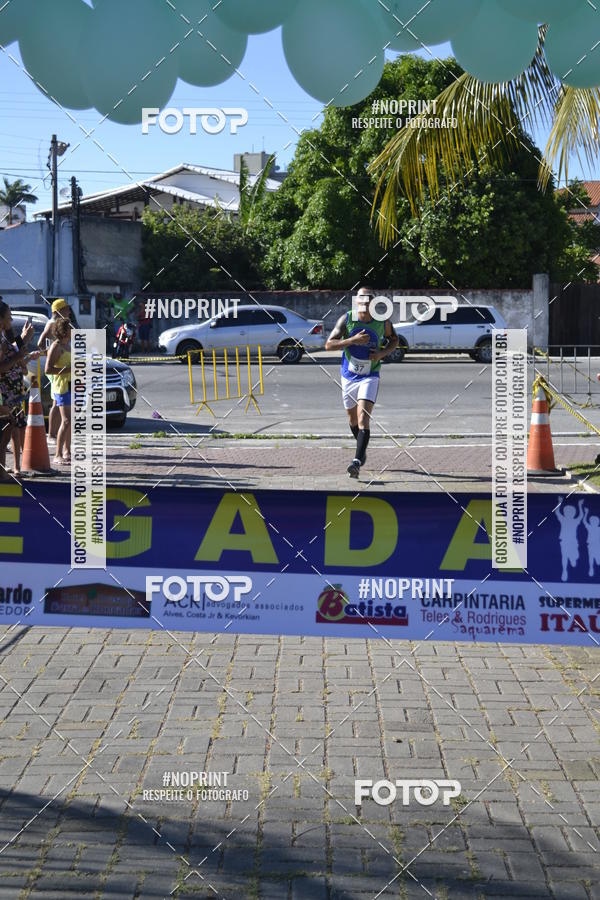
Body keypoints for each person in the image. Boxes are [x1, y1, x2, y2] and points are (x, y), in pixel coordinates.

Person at [325, 286, 399, 478]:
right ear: (356, 300)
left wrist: (382, 353)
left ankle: (356, 462)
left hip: (370, 375)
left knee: (362, 419)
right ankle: (362, 449)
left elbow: (394, 339)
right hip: (348, 376)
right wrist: (351, 341)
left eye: (368, 298)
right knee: (352, 420)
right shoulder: (347, 319)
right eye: (361, 297)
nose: (365, 300)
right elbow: (328, 344)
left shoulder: (382, 322)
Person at [0, 300, 36, 480]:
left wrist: (23, 343)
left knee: (9, 429)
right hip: (4, 392)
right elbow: (1, 367)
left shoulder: (5, 337)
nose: (11, 320)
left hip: (13, 391)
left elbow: (17, 361)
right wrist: (19, 354)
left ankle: (6, 469)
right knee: (6, 430)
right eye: (8, 317)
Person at [38, 298, 72, 442]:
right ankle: (51, 434)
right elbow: (40, 342)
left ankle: (53, 434)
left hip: (60, 363)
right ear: (59, 311)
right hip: (57, 367)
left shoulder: (60, 324)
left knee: (57, 403)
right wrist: (49, 352)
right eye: (66, 309)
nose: (69, 311)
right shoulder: (52, 323)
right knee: (55, 402)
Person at [45, 317, 72, 465]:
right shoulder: (56, 346)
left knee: (70, 421)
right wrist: (69, 369)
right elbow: (48, 369)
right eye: (70, 328)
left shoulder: (68, 345)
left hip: (71, 385)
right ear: (64, 330)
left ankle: (67, 452)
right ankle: (57, 454)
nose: (73, 330)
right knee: (66, 421)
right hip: (61, 388)